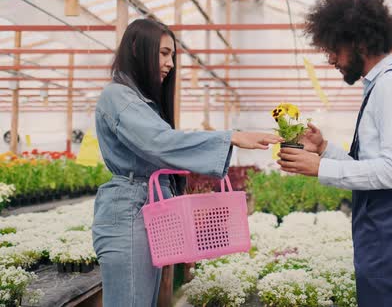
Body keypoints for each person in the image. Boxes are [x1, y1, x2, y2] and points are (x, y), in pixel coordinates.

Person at [92, 19, 282, 306]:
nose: (170, 63)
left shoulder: (138, 99)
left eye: (172, 55)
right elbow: (159, 142)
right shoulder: (117, 95)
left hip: (145, 207)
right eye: (164, 53)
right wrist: (231, 137)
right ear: (135, 48)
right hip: (129, 211)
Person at [277, 0, 392, 306]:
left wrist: (321, 168)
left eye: (334, 48)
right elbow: (372, 164)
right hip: (385, 214)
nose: (331, 58)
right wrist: (323, 149)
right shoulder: (379, 84)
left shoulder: (391, 87)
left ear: (360, 41)